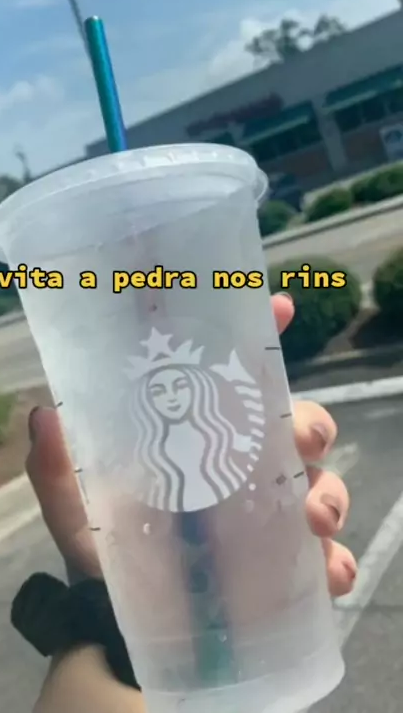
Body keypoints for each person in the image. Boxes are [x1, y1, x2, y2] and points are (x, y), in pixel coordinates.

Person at [23, 295, 357, 713]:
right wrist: (109, 618)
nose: (170, 396)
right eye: (157, 389)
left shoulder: (223, 441)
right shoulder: (139, 466)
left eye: (180, 384)